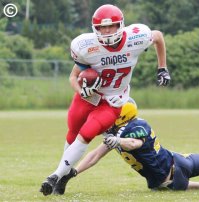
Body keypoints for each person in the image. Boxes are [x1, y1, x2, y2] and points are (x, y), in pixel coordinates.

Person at [40, 4, 171, 196]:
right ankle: (62, 177)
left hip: (114, 100)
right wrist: (82, 90)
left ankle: (55, 176)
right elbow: (73, 77)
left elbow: (158, 36)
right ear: (95, 28)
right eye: (102, 27)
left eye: (111, 26)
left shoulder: (136, 37)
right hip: (89, 96)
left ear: (121, 25)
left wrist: (162, 68)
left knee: (87, 133)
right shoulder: (86, 46)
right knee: (73, 133)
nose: (106, 31)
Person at [51, 102, 199, 194]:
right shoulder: (122, 130)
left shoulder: (132, 129)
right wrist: (72, 172)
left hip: (170, 174)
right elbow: (93, 156)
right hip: (178, 159)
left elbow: (133, 144)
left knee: (163, 186)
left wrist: (117, 142)